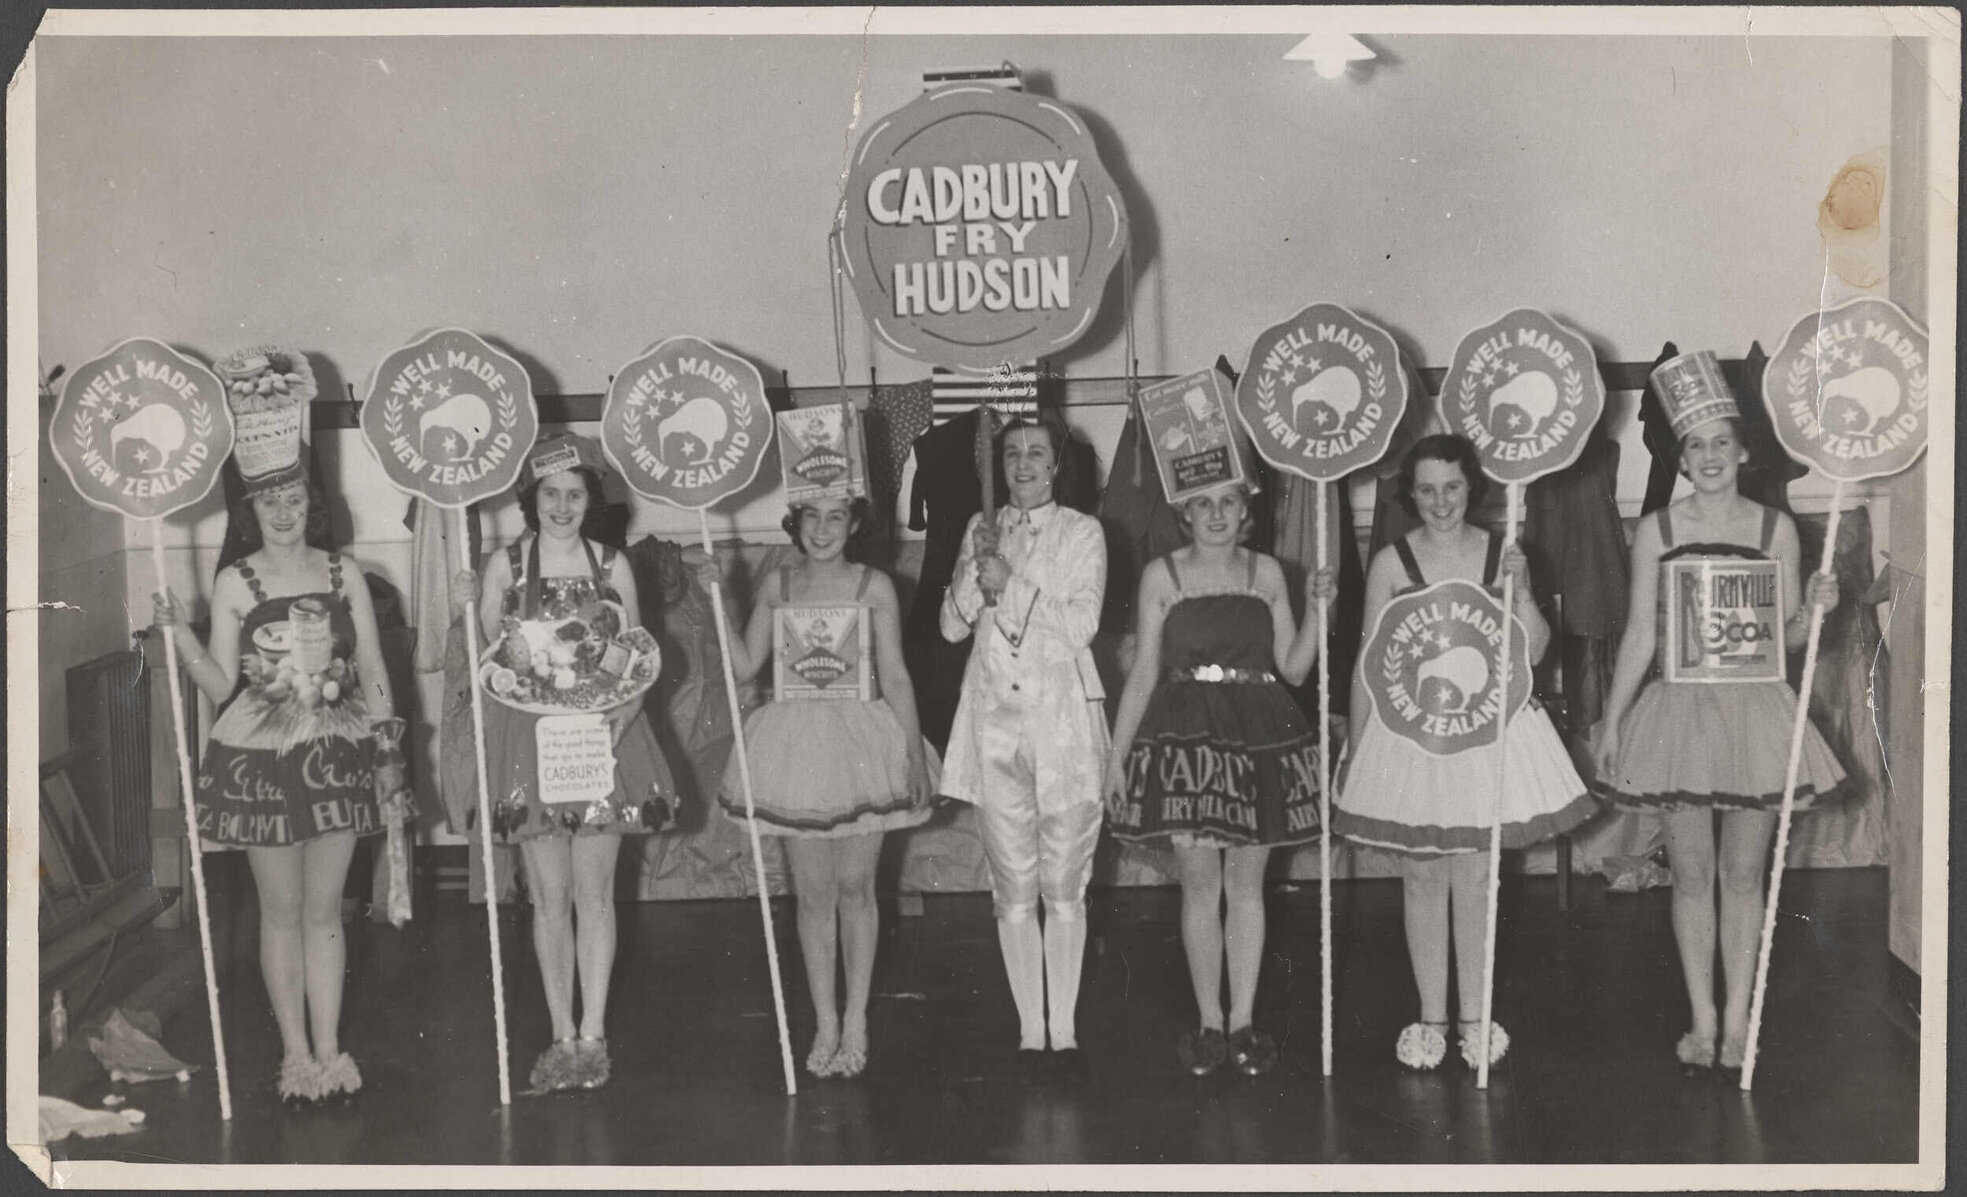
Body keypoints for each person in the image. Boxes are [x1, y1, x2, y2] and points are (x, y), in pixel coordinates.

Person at [152, 345, 408, 1103]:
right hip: (260, 763)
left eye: (295, 497)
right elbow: (221, 683)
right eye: (271, 502)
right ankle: (294, 1054)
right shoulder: (236, 579)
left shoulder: (343, 573)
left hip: (337, 751)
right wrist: (182, 634)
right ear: (250, 509)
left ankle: (331, 1050)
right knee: (282, 910)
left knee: (327, 911)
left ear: (311, 497)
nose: (286, 512)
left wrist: (390, 758)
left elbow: (373, 673)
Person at [1593, 356, 1847, 1078]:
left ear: (1742, 451)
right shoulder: (1657, 530)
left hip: (1750, 712)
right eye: (1693, 444)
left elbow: (1788, 636)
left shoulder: (1775, 530)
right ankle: (1700, 1018)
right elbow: (1641, 631)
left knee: (1742, 872)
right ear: (1680, 455)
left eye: (1718, 442)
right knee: (1690, 871)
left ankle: (1738, 1018)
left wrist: (1816, 608)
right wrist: (1613, 719)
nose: (1706, 456)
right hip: (1678, 711)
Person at [1333, 434, 1596, 1071]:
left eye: (1452, 486)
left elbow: (1533, 651)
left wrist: (1523, 587)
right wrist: (1356, 750)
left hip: (1486, 732)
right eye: (1426, 489)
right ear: (1410, 495)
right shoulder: (1394, 562)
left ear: (1471, 487)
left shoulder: (1500, 552)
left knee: (1477, 875)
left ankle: (1475, 1017)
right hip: (1414, 737)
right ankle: (1431, 1017)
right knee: (1423, 874)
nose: (1441, 501)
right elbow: (1371, 664)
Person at [457, 433, 678, 1093]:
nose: (561, 505)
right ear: (532, 498)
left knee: (594, 894)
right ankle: (559, 1031)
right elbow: (485, 663)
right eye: (550, 493)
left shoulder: (612, 564)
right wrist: (464, 602)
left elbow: (637, 657)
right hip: (532, 742)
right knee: (550, 898)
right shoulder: (505, 565)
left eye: (574, 493)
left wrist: (628, 714)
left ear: (590, 498)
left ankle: (594, 1033)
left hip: (598, 739)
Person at [1104, 481, 1337, 1076]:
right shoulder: (1164, 576)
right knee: (1201, 884)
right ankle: (1209, 1019)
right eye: (1202, 503)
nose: (1215, 515)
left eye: (1228, 502)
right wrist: (1117, 758)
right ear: (1184, 512)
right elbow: (1143, 677)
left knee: (1248, 886)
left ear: (1246, 512)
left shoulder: (1267, 575)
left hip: (1257, 738)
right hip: (1186, 743)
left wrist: (1319, 609)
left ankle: (1244, 1023)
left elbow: (1294, 666)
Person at [701, 494, 938, 1079]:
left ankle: (856, 1019)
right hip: (796, 745)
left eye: (837, 516)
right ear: (797, 523)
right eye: (812, 515)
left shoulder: (873, 586)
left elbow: (898, 674)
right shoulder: (779, 584)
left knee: (856, 886)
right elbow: (746, 666)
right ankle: (825, 1020)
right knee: (812, 894)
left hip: (861, 741)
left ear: (856, 523)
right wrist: (716, 601)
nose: (823, 528)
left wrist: (911, 752)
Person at [940, 416, 1109, 1079]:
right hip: (993, 725)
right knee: (1011, 885)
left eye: (1036, 453)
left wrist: (1009, 580)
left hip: (1061, 725)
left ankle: (1062, 1029)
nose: (1022, 464)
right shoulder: (982, 528)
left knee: (1063, 881)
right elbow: (953, 627)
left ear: (1058, 464)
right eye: (1010, 454)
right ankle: (1027, 1027)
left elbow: (1080, 624)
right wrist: (970, 570)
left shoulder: (1081, 533)